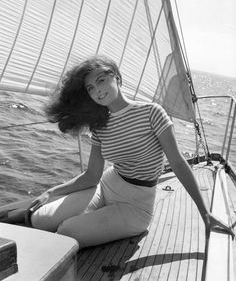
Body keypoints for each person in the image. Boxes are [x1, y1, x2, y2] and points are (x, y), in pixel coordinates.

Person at [28, 55, 233, 248]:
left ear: (116, 77)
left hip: (135, 206)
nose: (97, 90)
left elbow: (178, 164)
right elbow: (92, 176)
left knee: (66, 232)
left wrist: (205, 212)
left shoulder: (152, 113)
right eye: (90, 88)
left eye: (101, 81)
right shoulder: (100, 125)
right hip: (105, 187)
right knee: (40, 220)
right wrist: (51, 191)